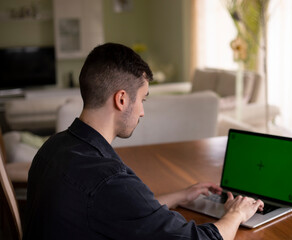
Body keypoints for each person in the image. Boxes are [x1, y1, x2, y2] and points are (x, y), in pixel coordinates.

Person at [23, 43, 264, 240]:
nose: (142, 112)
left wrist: (179, 196)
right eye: (143, 100)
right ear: (121, 100)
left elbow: (117, 209)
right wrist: (235, 214)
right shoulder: (108, 179)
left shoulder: (52, 147)